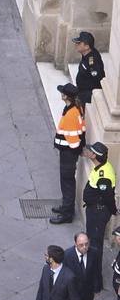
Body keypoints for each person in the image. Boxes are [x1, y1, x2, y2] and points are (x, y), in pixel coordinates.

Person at [52, 83, 87, 225]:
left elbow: (73, 140)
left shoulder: (72, 113)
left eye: (62, 92)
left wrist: (70, 150)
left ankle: (67, 213)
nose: (61, 94)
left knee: (67, 182)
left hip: (68, 154)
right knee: (66, 182)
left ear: (66, 96)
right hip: (68, 153)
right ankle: (66, 207)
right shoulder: (72, 108)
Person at [65, 231, 104, 300]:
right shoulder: (67, 255)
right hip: (72, 295)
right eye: (81, 245)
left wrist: (97, 288)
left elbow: (96, 271)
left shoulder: (94, 253)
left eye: (87, 244)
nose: (85, 247)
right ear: (75, 243)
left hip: (87, 294)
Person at [85, 143, 118, 250]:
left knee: (94, 244)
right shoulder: (102, 165)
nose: (88, 151)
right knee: (92, 239)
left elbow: (108, 196)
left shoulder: (104, 176)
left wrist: (113, 210)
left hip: (98, 213)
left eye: (90, 151)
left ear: (94, 156)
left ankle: (93, 266)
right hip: (95, 210)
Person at [75, 31, 107, 108]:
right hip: (81, 91)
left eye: (79, 43)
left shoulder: (92, 62)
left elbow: (96, 79)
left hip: (87, 95)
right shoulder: (86, 54)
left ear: (86, 46)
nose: (76, 45)